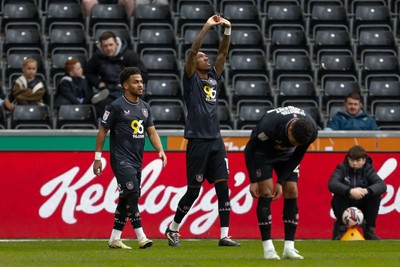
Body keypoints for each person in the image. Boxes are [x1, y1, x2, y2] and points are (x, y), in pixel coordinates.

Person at [164, 15, 240, 247]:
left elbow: (223, 54)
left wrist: (227, 30)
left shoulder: (214, 78)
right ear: (193, 63)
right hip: (197, 140)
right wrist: (207, 27)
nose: (206, 58)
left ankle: (224, 235)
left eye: (207, 57)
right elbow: (191, 52)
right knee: (193, 191)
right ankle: (173, 228)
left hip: (216, 140)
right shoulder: (190, 79)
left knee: (223, 188)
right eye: (202, 57)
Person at [93, 67, 167, 249]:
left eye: (141, 81)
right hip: (121, 159)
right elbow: (103, 130)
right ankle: (141, 237)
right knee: (133, 194)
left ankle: (114, 239)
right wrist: (97, 157)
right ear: (125, 85)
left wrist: (161, 150)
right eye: (136, 81)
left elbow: (152, 132)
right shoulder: (115, 106)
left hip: (136, 161)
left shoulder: (144, 107)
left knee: (127, 198)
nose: (140, 84)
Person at [244, 106, 318, 260]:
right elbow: (249, 150)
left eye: (298, 143)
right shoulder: (269, 126)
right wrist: (253, 180)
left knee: (291, 190)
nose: (294, 144)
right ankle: (268, 249)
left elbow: (297, 156)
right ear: (290, 129)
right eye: (293, 141)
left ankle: (289, 248)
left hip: (287, 157)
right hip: (263, 153)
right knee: (266, 191)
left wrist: (281, 182)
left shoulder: (311, 131)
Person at [328, 145, 387, 240]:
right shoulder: (341, 168)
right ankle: (341, 229)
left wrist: (366, 191)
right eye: (352, 160)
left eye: (358, 160)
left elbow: (382, 185)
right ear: (348, 159)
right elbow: (332, 184)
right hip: (346, 205)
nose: (355, 163)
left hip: (363, 205)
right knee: (339, 194)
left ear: (364, 160)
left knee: (376, 195)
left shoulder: (368, 170)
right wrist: (349, 191)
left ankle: (369, 230)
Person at [86, 30, 148, 117]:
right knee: (99, 106)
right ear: (101, 47)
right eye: (105, 46)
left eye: (111, 45)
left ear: (117, 44)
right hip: (107, 90)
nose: (108, 48)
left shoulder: (130, 56)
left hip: (126, 90)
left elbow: (143, 75)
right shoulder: (97, 57)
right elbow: (89, 72)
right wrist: (98, 83)